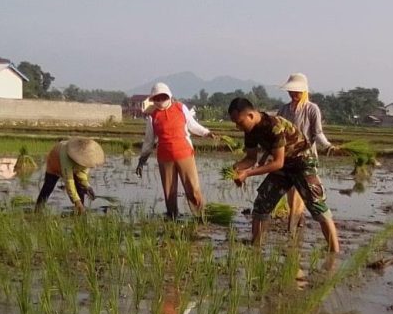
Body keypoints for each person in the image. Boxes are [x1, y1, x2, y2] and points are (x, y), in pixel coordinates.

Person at [228, 98, 340, 252]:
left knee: (316, 204)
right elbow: (250, 158)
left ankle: (334, 251)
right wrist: (236, 168)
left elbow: (277, 163)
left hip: (302, 162)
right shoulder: (250, 131)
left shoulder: (274, 126)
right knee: (262, 203)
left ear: (251, 116)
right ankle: (255, 246)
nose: (237, 126)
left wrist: (247, 173)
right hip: (284, 166)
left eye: (239, 122)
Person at [135, 82, 216, 220]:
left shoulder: (180, 107)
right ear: (153, 100)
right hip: (165, 158)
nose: (160, 101)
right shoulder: (152, 117)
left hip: (184, 154)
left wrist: (206, 132)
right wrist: (142, 160)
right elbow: (149, 141)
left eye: (163, 97)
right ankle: (172, 217)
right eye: (157, 98)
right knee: (169, 192)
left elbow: (192, 125)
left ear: (169, 96)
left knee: (193, 189)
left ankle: (201, 216)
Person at [277, 73, 338, 239]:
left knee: (302, 195)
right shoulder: (283, 109)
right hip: (288, 158)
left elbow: (317, 133)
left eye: (296, 91)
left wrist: (328, 145)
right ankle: (298, 222)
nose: (293, 94)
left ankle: (291, 232)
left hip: (306, 159)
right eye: (291, 91)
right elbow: (278, 132)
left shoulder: (312, 109)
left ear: (304, 91)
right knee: (292, 196)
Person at [35, 137, 105, 213]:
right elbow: (69, 181)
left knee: (80, 188)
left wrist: (87, 186)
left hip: (73, 166)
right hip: (54, 163)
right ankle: (38, 210)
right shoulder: (65, 155)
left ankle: (80, 210)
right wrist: (76, 201)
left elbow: (82, 174)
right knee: (48, 187)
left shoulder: (87, 159)